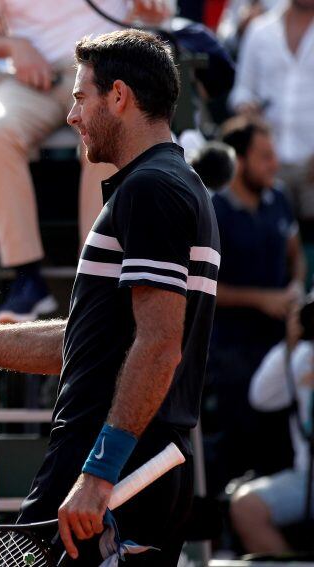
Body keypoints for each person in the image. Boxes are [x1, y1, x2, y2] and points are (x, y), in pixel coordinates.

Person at [0, 29, 220, 565]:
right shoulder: (160, 187)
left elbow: (159, 346)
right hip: (116, 471)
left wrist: (98, 472)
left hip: (115, 479)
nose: (71, 116)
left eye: (80, 97)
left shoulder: (151, 190)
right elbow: (87, 344)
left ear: (119, 97)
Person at [0, 0, 171, 323]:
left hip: (105, 78)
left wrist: (152, 10)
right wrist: (14, 45)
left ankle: (94, 279)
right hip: (30, 80)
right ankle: (27, 281)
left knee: (109, 133)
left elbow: (159, 15)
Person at [204, 116, 304, 495]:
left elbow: (297, 254)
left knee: (279, 440)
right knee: (235, 445)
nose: (273, 164)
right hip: (230, 355)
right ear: (239, 161)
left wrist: (294, 285)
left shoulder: (279, 197)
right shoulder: (213, 210)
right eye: (264, 157)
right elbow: (205, 286)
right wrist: (263, 299)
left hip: (280, 347)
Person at [230, 305, 314, 554]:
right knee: (246, 507)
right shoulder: (303, 354)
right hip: (306, 477)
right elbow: (261, 397)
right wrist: (290, 345)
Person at [229, 0, 314, 241]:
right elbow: (242, 90)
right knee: (270, 244)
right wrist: (245, 106)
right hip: (267, 163)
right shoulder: (260, 30)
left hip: (311, 164)